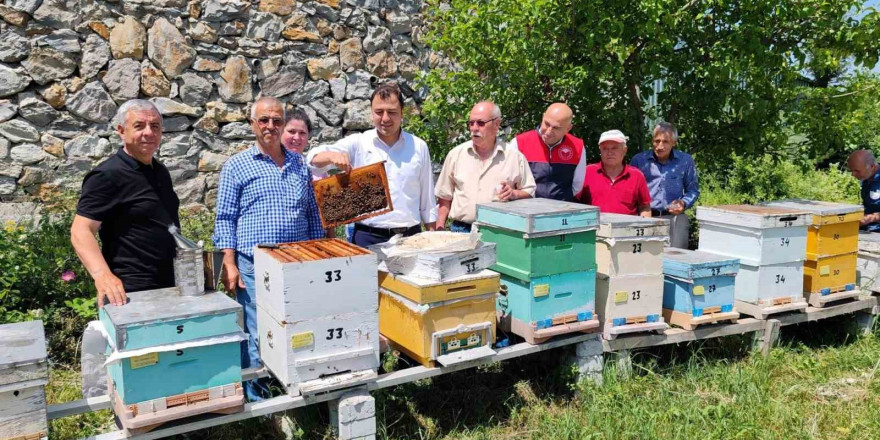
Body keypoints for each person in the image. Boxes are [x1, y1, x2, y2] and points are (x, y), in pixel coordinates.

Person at [213, 96, 325, 401]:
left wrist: (318, 254)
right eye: (264, 120)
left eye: (277, 121)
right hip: (254, 264)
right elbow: (225, 218)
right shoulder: (237, 165)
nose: (271, 127)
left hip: (297, 262)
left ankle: (294, 388)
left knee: (295, 328)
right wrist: (229, 263)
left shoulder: (298, 163)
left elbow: (312, 212)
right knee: (259, 332)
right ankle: (261, 402)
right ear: (252, 124)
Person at [71, 99, 180, 308]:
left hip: (169, 285)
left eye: (155, 126)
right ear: (121, 131)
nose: (149, 132)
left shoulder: (160, 171)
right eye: (139, 126)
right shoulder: (107, 175)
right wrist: (102, 276)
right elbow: (80, 230)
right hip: (130, 293)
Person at [305, 82, 437, 246]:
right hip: (367, 237)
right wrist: (332, 156)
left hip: (411, 238)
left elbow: (428, 200)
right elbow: (312, 160)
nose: (385, 118)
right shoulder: (358, 143)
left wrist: (433, 236)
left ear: (402, 112)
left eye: (392, 112)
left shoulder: (419, 146)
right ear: (371, 113)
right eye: (379, 112)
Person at [435, 101, 536, 232]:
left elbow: (529, 192)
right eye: (471, 123)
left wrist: (514, 194)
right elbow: (444, 197)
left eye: (481, 123)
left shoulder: (514, 157)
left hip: (500, 230)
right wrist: (439, 229)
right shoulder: (456, 155)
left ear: (497, 124)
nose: (474, 128)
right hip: (461, 230)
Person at [630, 122, 699, 248]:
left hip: (674, 219)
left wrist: (683, 203)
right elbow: (629, 190)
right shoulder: (639, 160)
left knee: (676, 259)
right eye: (657, 141)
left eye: (665, 141)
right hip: (645, 218)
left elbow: (693, 190)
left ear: (674, 142)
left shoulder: (685, 161)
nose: (660, 146)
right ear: (652, 140)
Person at [510, 103, 586, 201]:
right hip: (527, 208)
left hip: (561, 210)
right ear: (543, 116)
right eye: (547, 124)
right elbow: (510, 181)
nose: (549, 131)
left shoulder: (577, 147)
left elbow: (577, 185)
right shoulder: (519, 143)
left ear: (568, 128)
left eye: (556, 128)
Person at [576, 129, 651, 217]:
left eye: (614, 148)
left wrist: (645, 227)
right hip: (594, 228)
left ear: (624, 150)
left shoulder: (637, 176)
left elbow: (645, 207)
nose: (610, 152)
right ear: (600, 151)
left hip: (626, 228)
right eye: (605, 148)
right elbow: (575, 204)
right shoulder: (587, 172)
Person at [846, 150, 880, 232]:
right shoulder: (866, 179)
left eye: (857, 171)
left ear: (872, 166)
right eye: (851, 170)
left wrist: (871, 218)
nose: (853, 174)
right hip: (864, 229)